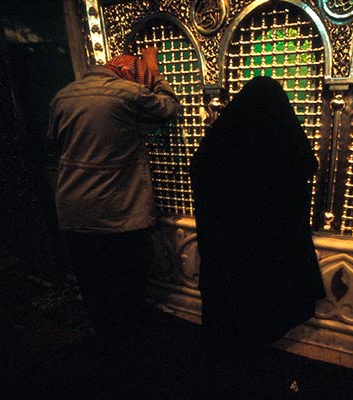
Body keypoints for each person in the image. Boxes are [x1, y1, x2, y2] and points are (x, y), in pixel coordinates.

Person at [190, 76, 325, 398]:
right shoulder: (281, 145)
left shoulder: (218, 143)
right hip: (269, 254)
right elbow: (307, 164)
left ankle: (229, 372)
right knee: (261, 312)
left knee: (231, 316)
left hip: (225, 253)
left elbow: (201, 172)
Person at [47, 48, 179, 357]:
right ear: (130, 75)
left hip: (72, 210)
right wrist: (155, 74)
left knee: (94, 285)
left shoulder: (62, 96)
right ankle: (131, 351)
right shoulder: (128, 93)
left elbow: (55, 147)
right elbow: (170, 108)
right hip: (116, 213)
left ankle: (106, 345)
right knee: (128, 283)